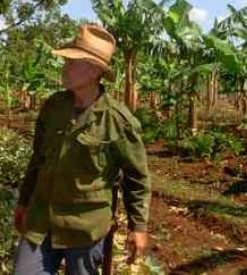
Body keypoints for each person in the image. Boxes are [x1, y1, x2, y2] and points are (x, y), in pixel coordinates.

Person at [13, 23, 151, 275]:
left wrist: (138, 227)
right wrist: (23, 202)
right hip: (41, 219)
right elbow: (37, 160)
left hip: (85, 228)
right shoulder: (53, 108)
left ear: (93, 70)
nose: (64, 67)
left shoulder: (117, 120)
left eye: (72, 63)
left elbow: (136, 177)